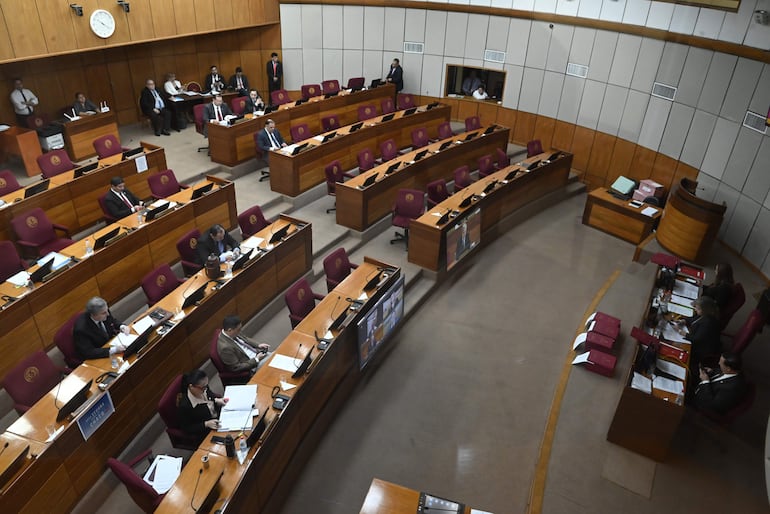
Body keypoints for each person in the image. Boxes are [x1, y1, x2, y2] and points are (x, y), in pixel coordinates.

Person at [177, 369, 228, 442]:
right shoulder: (185, 406)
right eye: (203, 387)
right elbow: (187, 428)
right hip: (207, 430)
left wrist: (216, 400)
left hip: (219, 417)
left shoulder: (203, 388)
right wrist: (206, 424)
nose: (206, 389)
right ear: (191, 387)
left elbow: (210, 395)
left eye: (207, 385)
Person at [685, 296, 722, 384]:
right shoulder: (704, 315)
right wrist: (684, 321)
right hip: (699, 340)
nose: (695, 310)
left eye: (697, 308)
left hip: (701, 349)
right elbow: (694, 320)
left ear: (705, 310)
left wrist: (683, 333)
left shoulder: (708, 322)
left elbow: (696, 339)